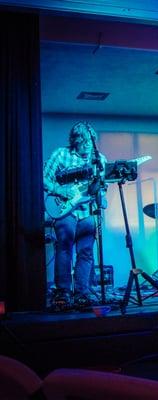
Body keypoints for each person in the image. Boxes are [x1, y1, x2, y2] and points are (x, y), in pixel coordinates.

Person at [43, 121, 107, 312]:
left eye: (91, 140)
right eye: (84, 140)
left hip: (87, 210)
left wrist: (101, 192)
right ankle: (63, 293)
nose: (88, 144)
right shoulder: (61, 154)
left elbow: (102, 185)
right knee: (64, 247)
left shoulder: (99, 159)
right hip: (64, 209)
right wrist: (60, 190)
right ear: (75, 141)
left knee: (86, 252)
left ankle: (82, 294)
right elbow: (43, 177)